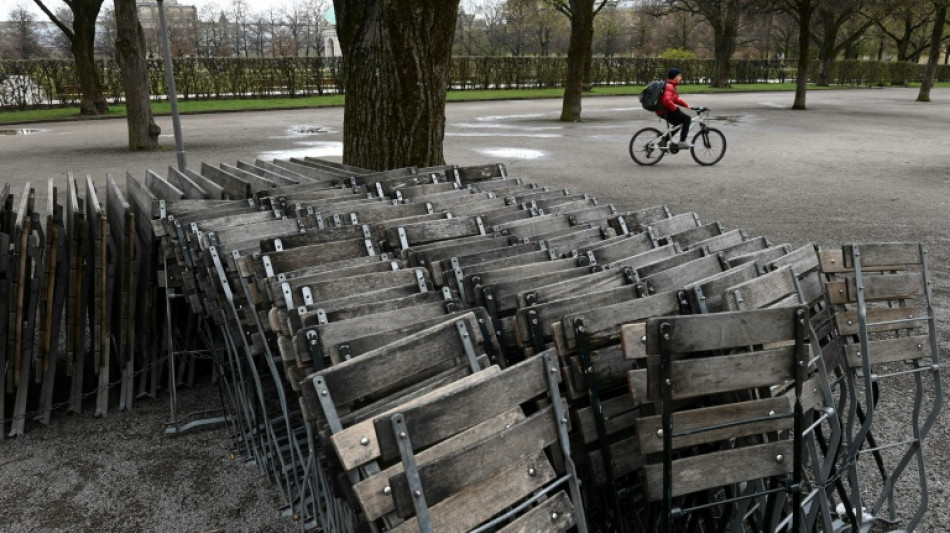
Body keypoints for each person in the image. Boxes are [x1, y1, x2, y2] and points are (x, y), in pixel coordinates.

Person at [656, 67, 692, 149]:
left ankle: (664, 140)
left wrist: (688, 106)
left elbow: (676, 100)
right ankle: (682, 141)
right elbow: (667, 101)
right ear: (674, 77)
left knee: (678, 124)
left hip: (663, 110)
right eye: (679, 76)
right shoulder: (669, 86)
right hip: (665, 111)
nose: (681, 78)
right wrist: (675, 109)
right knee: (687, 119)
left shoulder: (671, 86)